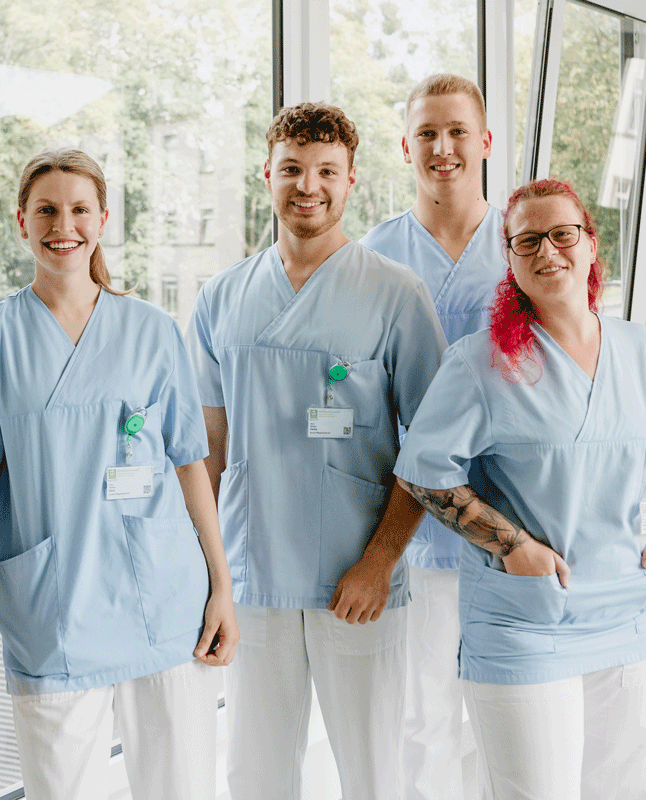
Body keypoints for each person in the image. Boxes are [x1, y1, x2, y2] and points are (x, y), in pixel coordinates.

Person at [0, 148, 238, 800]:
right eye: (46, 209)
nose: (63, 223)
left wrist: (222, 588)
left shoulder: (151, 330)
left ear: (102, 220)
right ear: (21, 222)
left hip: (167, 610)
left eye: (78, 209)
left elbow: (189, 466)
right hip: (54, 616)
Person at [186, 102, 447, 800]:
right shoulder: (221, 297)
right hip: (251, 571)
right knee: (253, 772)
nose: (310, 186)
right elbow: (207, 448)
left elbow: (432, 447)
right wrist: (211, 575)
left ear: (352, 181)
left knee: (374, 772)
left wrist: (380, 560)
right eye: (293, 169)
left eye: (327, 171)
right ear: (266, 176)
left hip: (356, 581)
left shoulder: (397, 295)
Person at [395, 178, 646, 800]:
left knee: (622, 788)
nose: (547, 250)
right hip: (529, 620)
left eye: (561, 234)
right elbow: (423, 472)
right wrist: (511, 546)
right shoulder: (481, 362)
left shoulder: (638, 348)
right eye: (527, 240)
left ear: (589, 244)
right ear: (511, 260)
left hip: (632, 609)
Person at [361, 73, 505, 800]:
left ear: (485, 141)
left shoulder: (524, 245)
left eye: (457, 132)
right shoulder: (374, 258)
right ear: (406, 146)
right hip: (414, 525)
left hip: (511, 514)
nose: (443, 148)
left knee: (507, 712)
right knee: (422, 719)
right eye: (427, 133)